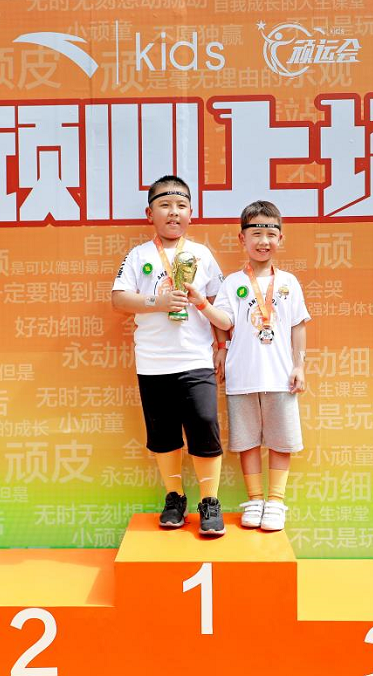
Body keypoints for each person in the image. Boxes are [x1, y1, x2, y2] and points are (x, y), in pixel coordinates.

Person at [111, 175, 227, 536]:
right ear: (150, 214)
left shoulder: (203, 255)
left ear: (191, 213)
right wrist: (158, 301)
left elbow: (220, 306)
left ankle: (209, 501)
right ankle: (174, 497)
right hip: (153, 362)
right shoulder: (139, 255)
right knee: (163, 436)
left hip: (196, 360)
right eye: (164, 205)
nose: (173, 212)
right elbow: (119, 299)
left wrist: (222, 348)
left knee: (204, 427)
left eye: (180, 205)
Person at [185, 201, 310, 531]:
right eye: (256, 233)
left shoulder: (289, 282)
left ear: (280, 238)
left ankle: (276, 502)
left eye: (270, 233)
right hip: (242, 376)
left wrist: (299, 366)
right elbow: (225, 321)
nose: (263, 240)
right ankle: (255, 499)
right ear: (242, 238)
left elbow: (298, 326)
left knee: (282, 441)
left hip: (281, 377)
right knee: (247, 441)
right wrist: (202, 304)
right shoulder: (232, 283)